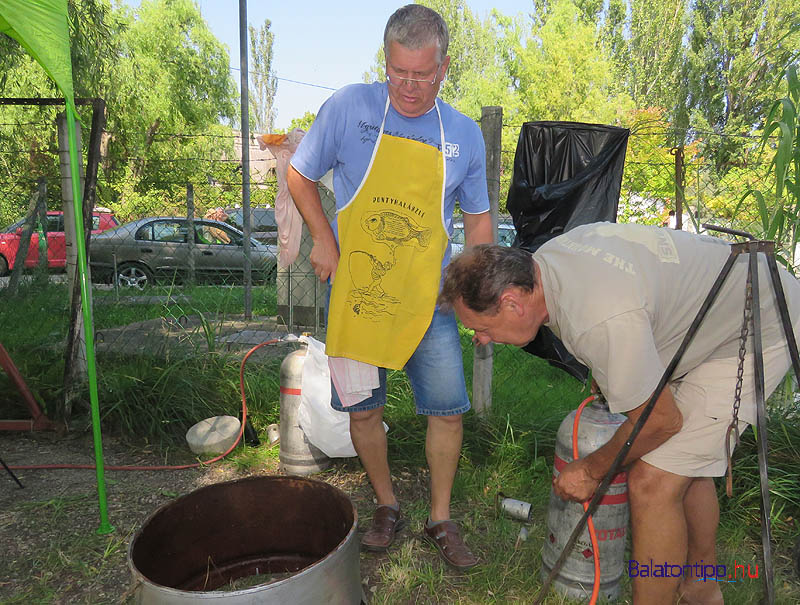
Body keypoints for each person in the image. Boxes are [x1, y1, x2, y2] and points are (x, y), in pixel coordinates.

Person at [438, 222, 800, 603]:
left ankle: (691, 590)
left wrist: (592, 469)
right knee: (686, 464)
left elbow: (662, 422)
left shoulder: (599, 316)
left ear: (512, 302)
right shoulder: (549, 263)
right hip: (707, 315)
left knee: (654, 479)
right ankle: (703, 586)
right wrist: (611, 368)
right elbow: (627, 309)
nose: (479, 338)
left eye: (480, 327)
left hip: (757, 321)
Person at [287, 4, 492, 570]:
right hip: (357, 295)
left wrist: (473, 295)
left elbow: (477, 223)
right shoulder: (350, 108)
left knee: (447, 409)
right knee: (362, 411)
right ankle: (385, 504)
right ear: (386, 61)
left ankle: (441, 517)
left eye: (422, 75)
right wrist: (323, 239)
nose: (409, 86)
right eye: (399, 72)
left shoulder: (464, 136)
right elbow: (300, 175)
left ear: (444, 67)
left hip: (430, 302)